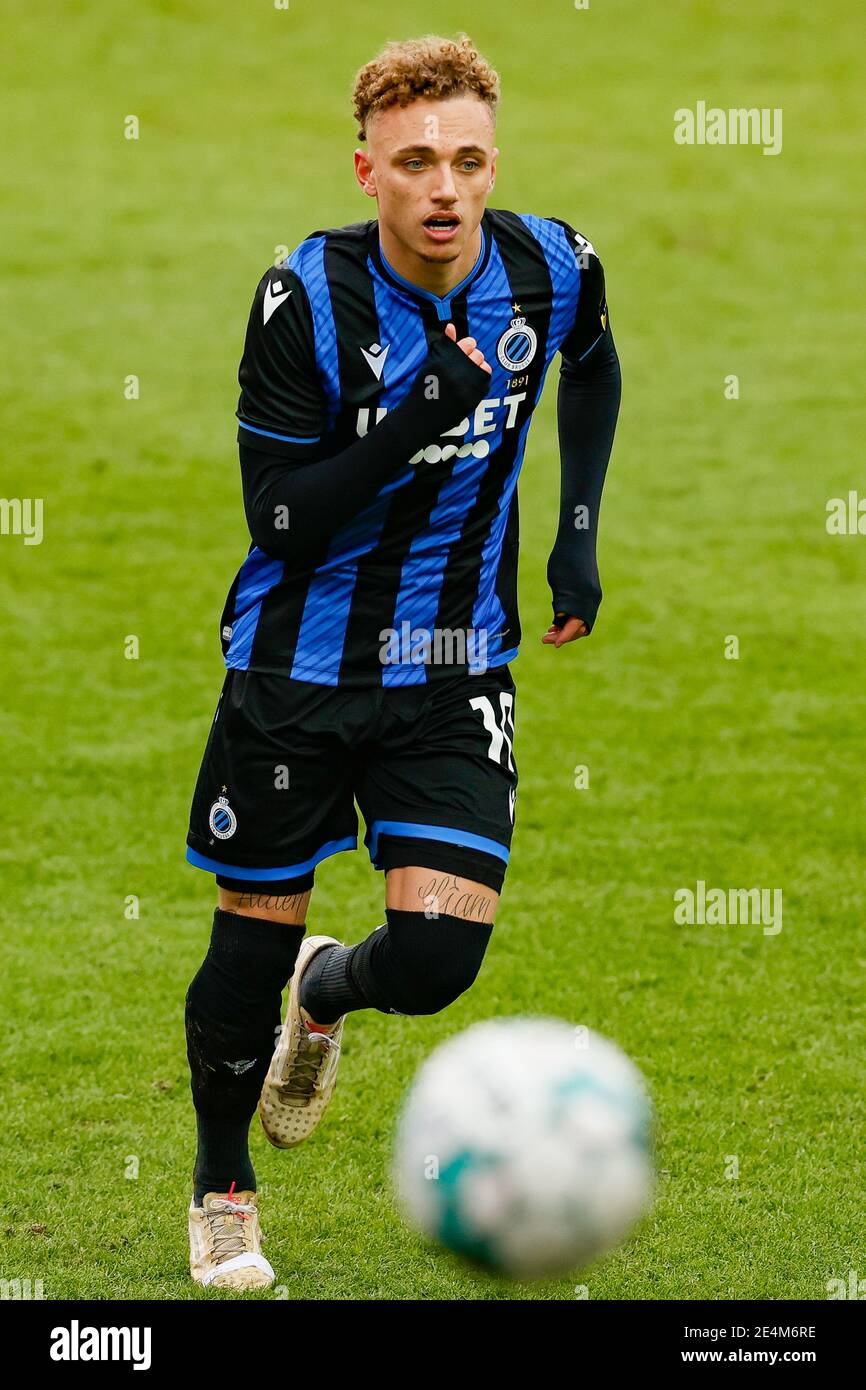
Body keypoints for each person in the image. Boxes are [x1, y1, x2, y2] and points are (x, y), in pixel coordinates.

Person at [184, 32, 621, 1290]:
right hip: (296, 667)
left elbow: (590, 367)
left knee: (433, 963)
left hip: (453, 663)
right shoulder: (304, 301)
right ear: (365, 167)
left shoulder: (551, 266)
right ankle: (224, 1188)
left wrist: (574, 540)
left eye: (469, 160)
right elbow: (277, 516)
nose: (445, 188)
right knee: (242, 949)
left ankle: (329, 991)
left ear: (494, 165)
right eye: (418, 160)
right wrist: (417, 417)